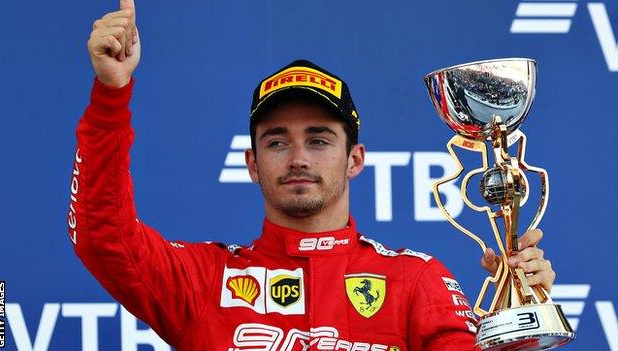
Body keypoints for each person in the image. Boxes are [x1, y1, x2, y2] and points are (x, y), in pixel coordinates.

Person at [68, 1, 556, 350]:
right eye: (277, 141)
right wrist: (112, 94)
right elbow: (102, 237)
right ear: (252, 164)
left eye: (319, 140)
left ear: (355, 159)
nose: (298, 157)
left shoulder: (414, 281)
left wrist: (521, 321)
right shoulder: (204, 280)